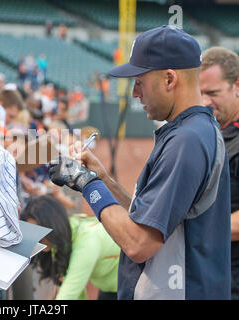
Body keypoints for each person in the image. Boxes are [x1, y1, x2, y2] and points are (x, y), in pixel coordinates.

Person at [49, 26, 231, 300]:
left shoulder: (187, 140)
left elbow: (139, 243)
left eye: (140, 81)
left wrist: (88, 185)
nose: (135, 92)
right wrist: (104, 180)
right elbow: (147, 218)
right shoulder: (197, 129)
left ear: (169, 79)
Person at [20, 195, 120, 300]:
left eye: (39, 231)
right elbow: (75, 291)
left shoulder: (87, 243)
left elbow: (68, 295)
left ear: (53, 225)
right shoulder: (63, 236)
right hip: (109, 286)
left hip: (127, 287)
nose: (36, 239)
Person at [199, 47, 239, 299]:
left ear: (237, 86)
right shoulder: (214, 133)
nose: (205, 102)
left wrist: (195, 231)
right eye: (200, 93)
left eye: (213, 93)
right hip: (207, 279)